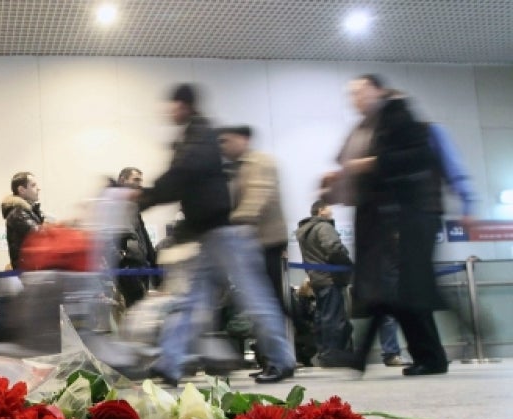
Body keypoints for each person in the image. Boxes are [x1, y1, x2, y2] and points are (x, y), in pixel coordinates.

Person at [133, 83, 295, 385]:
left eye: (173, 105)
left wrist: (147, 196)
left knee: (254, 298)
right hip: (208, 235)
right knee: (193, 301)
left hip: (225, 234)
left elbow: (183, 175)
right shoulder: (194, 137)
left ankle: (282, 359)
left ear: (183, 105)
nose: (168, 111)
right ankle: (170, 361)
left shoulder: (202, 135)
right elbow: (186, 182)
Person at [324, 74, 449, 376]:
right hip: (381, 216)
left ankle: (425, 355)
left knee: (400, 290)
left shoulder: (398, 117)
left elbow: (409, 161)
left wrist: (365, 164)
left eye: (362, 92)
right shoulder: (369, 125)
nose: (357, 99)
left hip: (399, 216)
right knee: (394, 291)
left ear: (378, 91)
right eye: (352, 94)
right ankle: (417, 356)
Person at [217, 126, 289, 309]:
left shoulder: (260, 162)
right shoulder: (232, 169)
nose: (223, 146)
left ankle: (281, 334)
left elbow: (257, 196)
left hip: (267, 242)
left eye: (226, 141)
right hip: (247, 243)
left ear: (243, 139)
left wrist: (231, 221)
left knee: (270, 298)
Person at [295, 200, 353, 367]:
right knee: (334, 317)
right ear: (321, 210)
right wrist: (347, 263)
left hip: (316, 278)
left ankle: (324, 352)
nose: (332, 212)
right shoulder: (324, 227)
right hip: (330, 276)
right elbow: (334, 248)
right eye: (329, 208)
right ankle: (333, 354)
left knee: (322, 317)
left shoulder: (303, 231)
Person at [115, 167, 158, 306]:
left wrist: (154, 266)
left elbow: (144, 239)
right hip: (127, 270)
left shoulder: (133, 208)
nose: (140, 184)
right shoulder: (114, 207)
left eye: (141, 180)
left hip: (141, 268)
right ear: (123, 181)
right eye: (136, 179)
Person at [1, 171, 45, 270]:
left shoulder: (29, 211)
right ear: (21, 190)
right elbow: (40, 236)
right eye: (33, 185)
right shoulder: (18, 213)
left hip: (33, 270)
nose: (38, 188)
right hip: (30, 272)